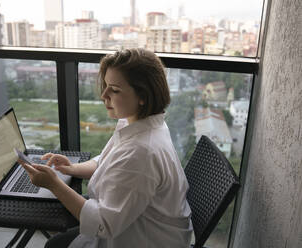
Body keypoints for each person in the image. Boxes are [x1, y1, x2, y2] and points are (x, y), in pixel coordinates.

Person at [19, 48, 193, 248]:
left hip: (145, 239)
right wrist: (71, 168)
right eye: (106, 86)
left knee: (53, 243)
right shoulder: (142, 124)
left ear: (143, 96)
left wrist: (54, 184)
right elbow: (107, 160)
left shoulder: (142, 153)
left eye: (115, 90)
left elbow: (104, 224)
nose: (104, 95)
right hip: (139, 222)